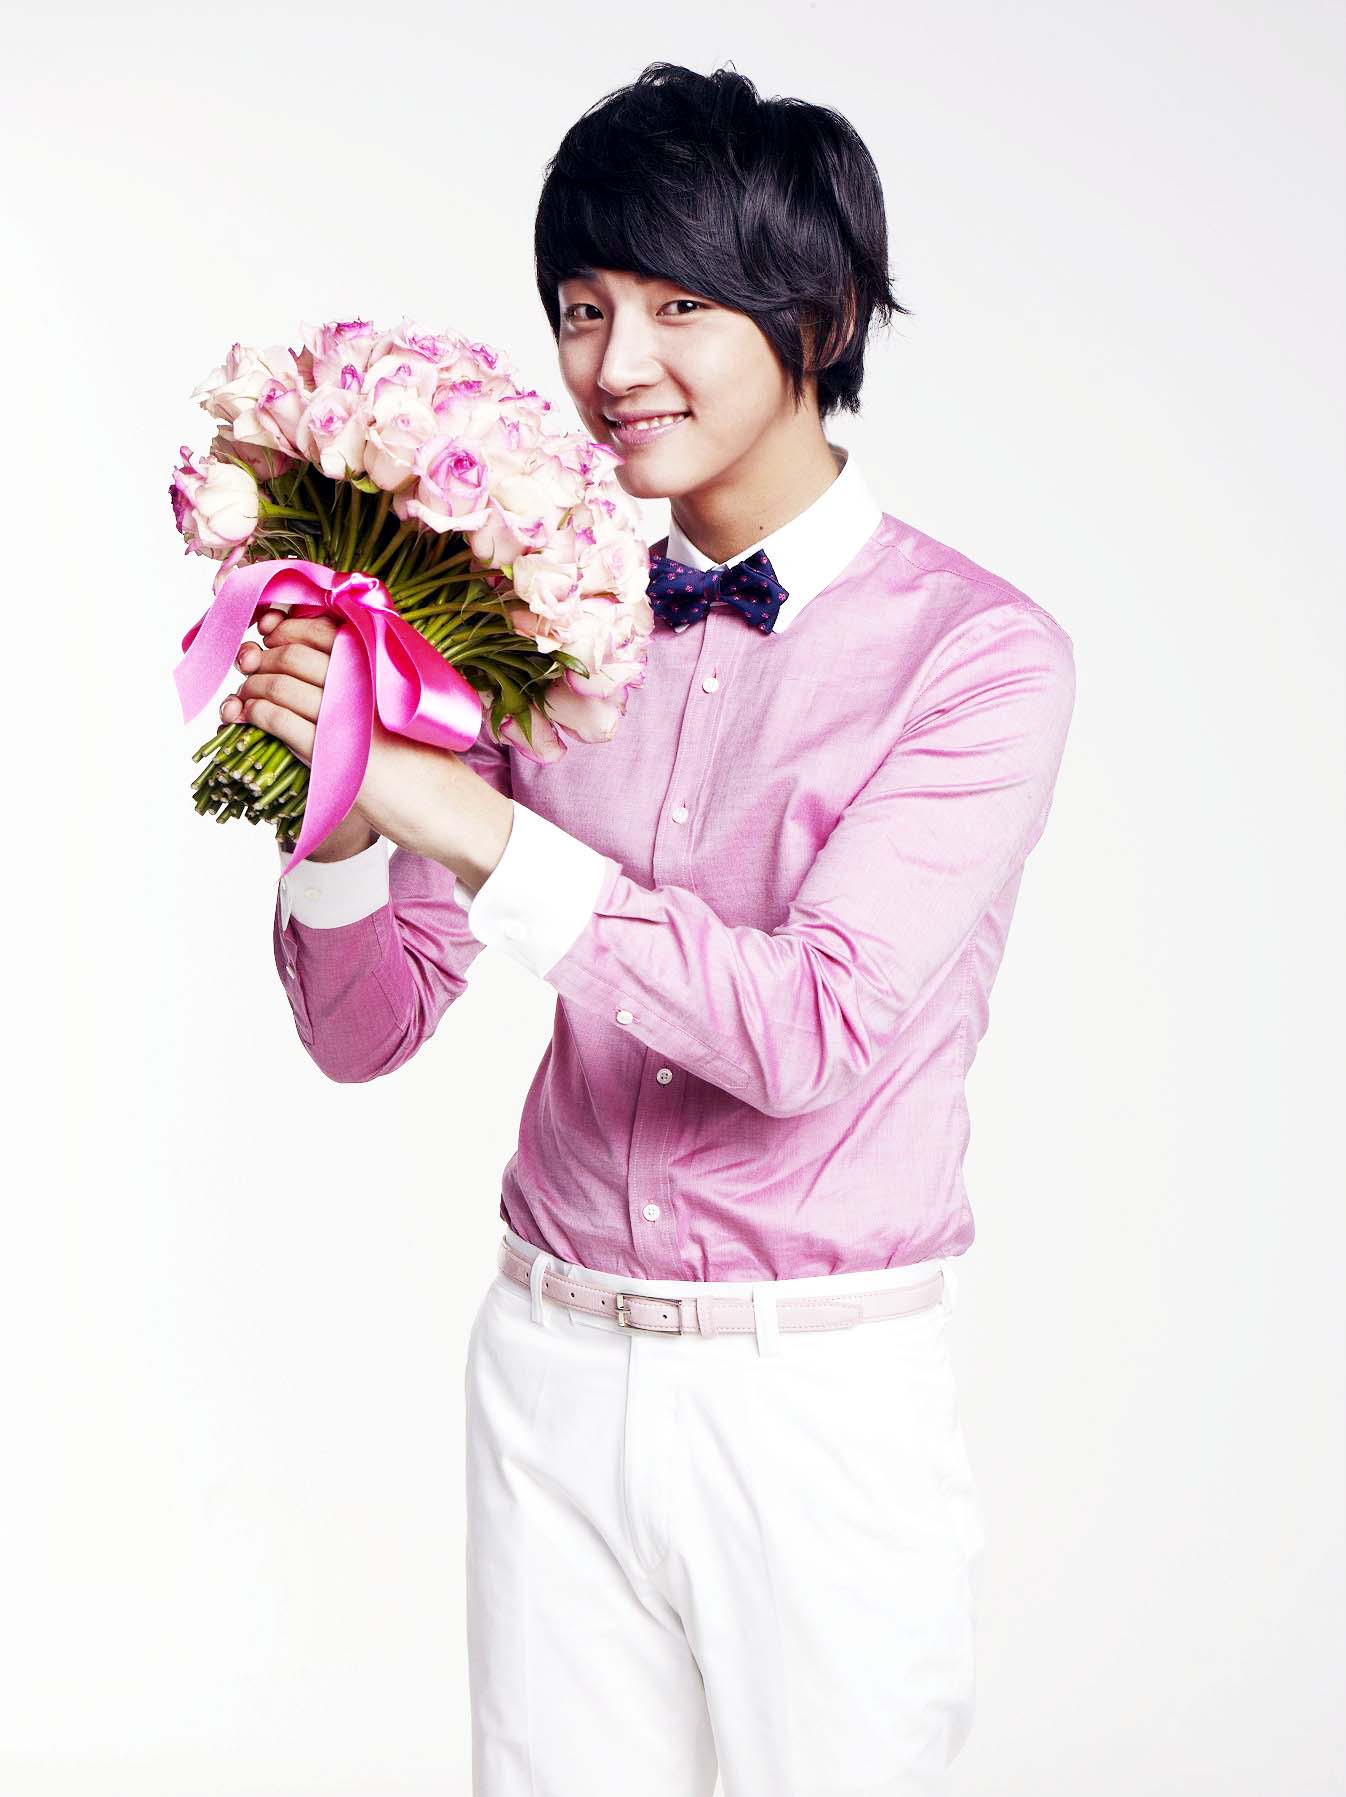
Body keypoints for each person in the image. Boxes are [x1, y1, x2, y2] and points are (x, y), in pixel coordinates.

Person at [225, 60, 1076, 1797]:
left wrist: (457, 811)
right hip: (546, 1364)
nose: (615, 364)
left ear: (818, 316)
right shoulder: (534, 623)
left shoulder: (978, 657)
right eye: (582, 305)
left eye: (681, 305)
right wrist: (337, 804)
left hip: (812, 1405)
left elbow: (800, 1029)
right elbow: (364, 1029)